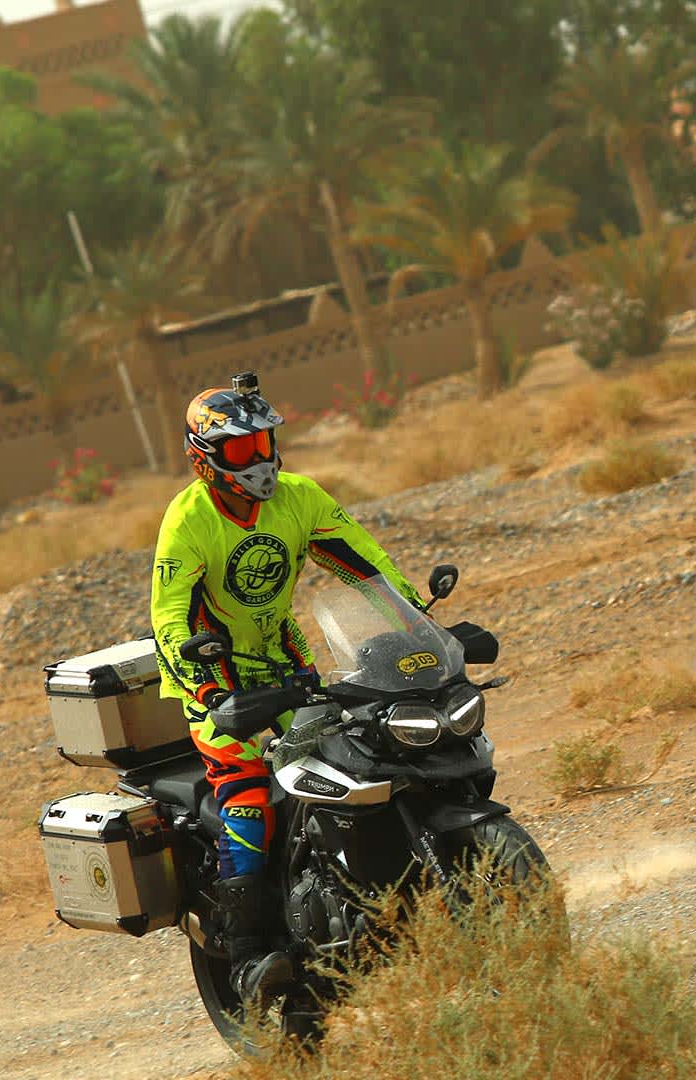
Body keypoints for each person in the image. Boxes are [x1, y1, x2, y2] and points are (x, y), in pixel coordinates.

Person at [149, 371, 424, 1005]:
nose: (262, 460)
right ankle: (249, 955)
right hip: (215, 681)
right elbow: (168, 616)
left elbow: (368, 568)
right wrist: (208, 689)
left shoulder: (299, 499)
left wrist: (423, 622)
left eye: (266, 443)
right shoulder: (187, 519)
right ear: (207, 461)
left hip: (290, 668)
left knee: (363, 757)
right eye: (244, 451)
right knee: (246, 792)